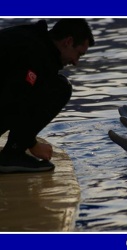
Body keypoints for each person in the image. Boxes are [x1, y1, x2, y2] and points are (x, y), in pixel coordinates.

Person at [0, 19, 95, 173]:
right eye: (78, 54)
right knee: (60, 88)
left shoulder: (34, 40)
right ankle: (12, 155)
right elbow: (15, 97)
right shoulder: (33, 51)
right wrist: (32, 144)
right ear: (68, 41)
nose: (76, 62)